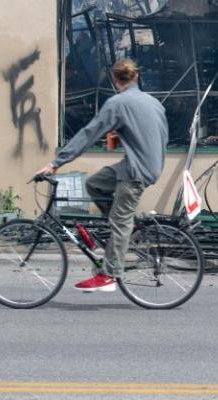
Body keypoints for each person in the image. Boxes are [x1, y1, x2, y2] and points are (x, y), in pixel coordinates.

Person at [36, 59, 168, 292]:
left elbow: (89, 133)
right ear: (136, 77)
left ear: (114, 80)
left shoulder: (117, 103)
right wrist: (125, 139)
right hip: (147, 164)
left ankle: (108, 274)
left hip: (136, 170)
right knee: (95, 183)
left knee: (119, 221)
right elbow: (158, 135)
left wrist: (56, 162)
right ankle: (124, 231)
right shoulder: (152, 101)